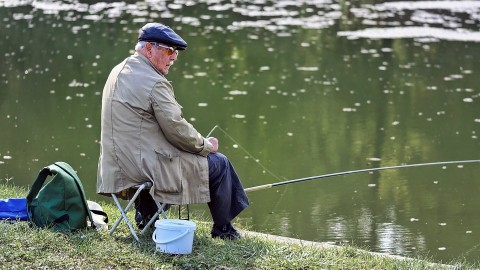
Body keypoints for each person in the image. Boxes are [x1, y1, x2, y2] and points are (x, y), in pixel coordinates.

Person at [96, 22, 249, 240]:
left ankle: (147, 214)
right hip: (142, 168)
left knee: (162, 155)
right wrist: (206, 145)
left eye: (175, 52)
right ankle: (223, 229)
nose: (174, 57)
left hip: (117, 166)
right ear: (149, 49)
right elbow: (176, 129)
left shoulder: (118, 70)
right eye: (169, 50)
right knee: (219, 163)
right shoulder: (154, 82)